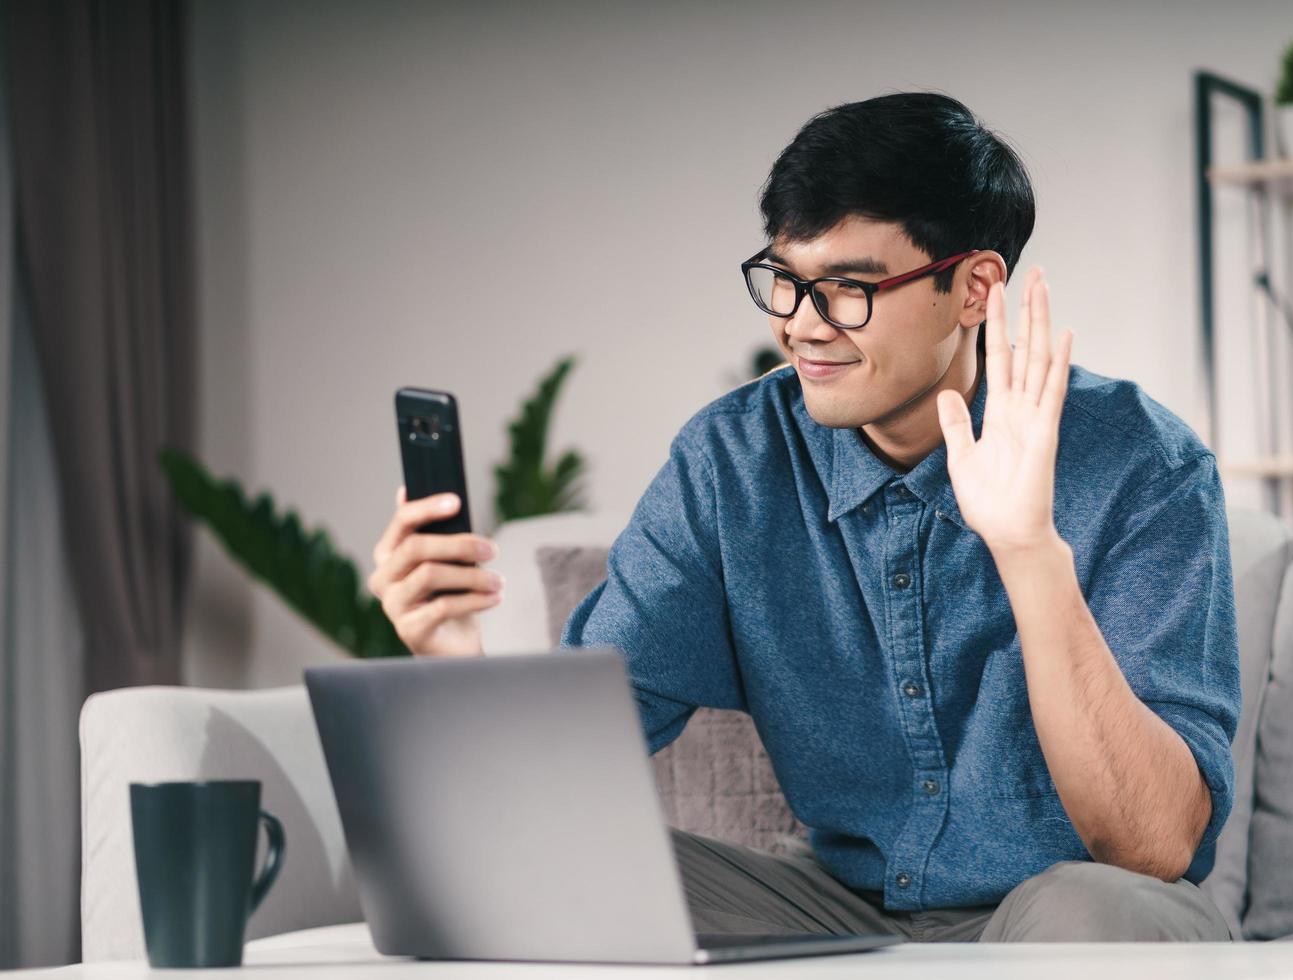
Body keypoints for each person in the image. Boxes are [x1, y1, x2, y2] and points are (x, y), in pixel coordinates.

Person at [367, 92, 1241, 942]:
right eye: (783, 281)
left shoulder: (1141, 465)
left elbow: (1151, 845)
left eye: (848, 289)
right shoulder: (730, 463)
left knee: (1098, 915)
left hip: (1066, 909)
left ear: (973, 288)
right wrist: (452, 659)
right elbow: (580, 751)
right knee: (538, 868)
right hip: (839, 906)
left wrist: (1028, 552)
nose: (801, 325)